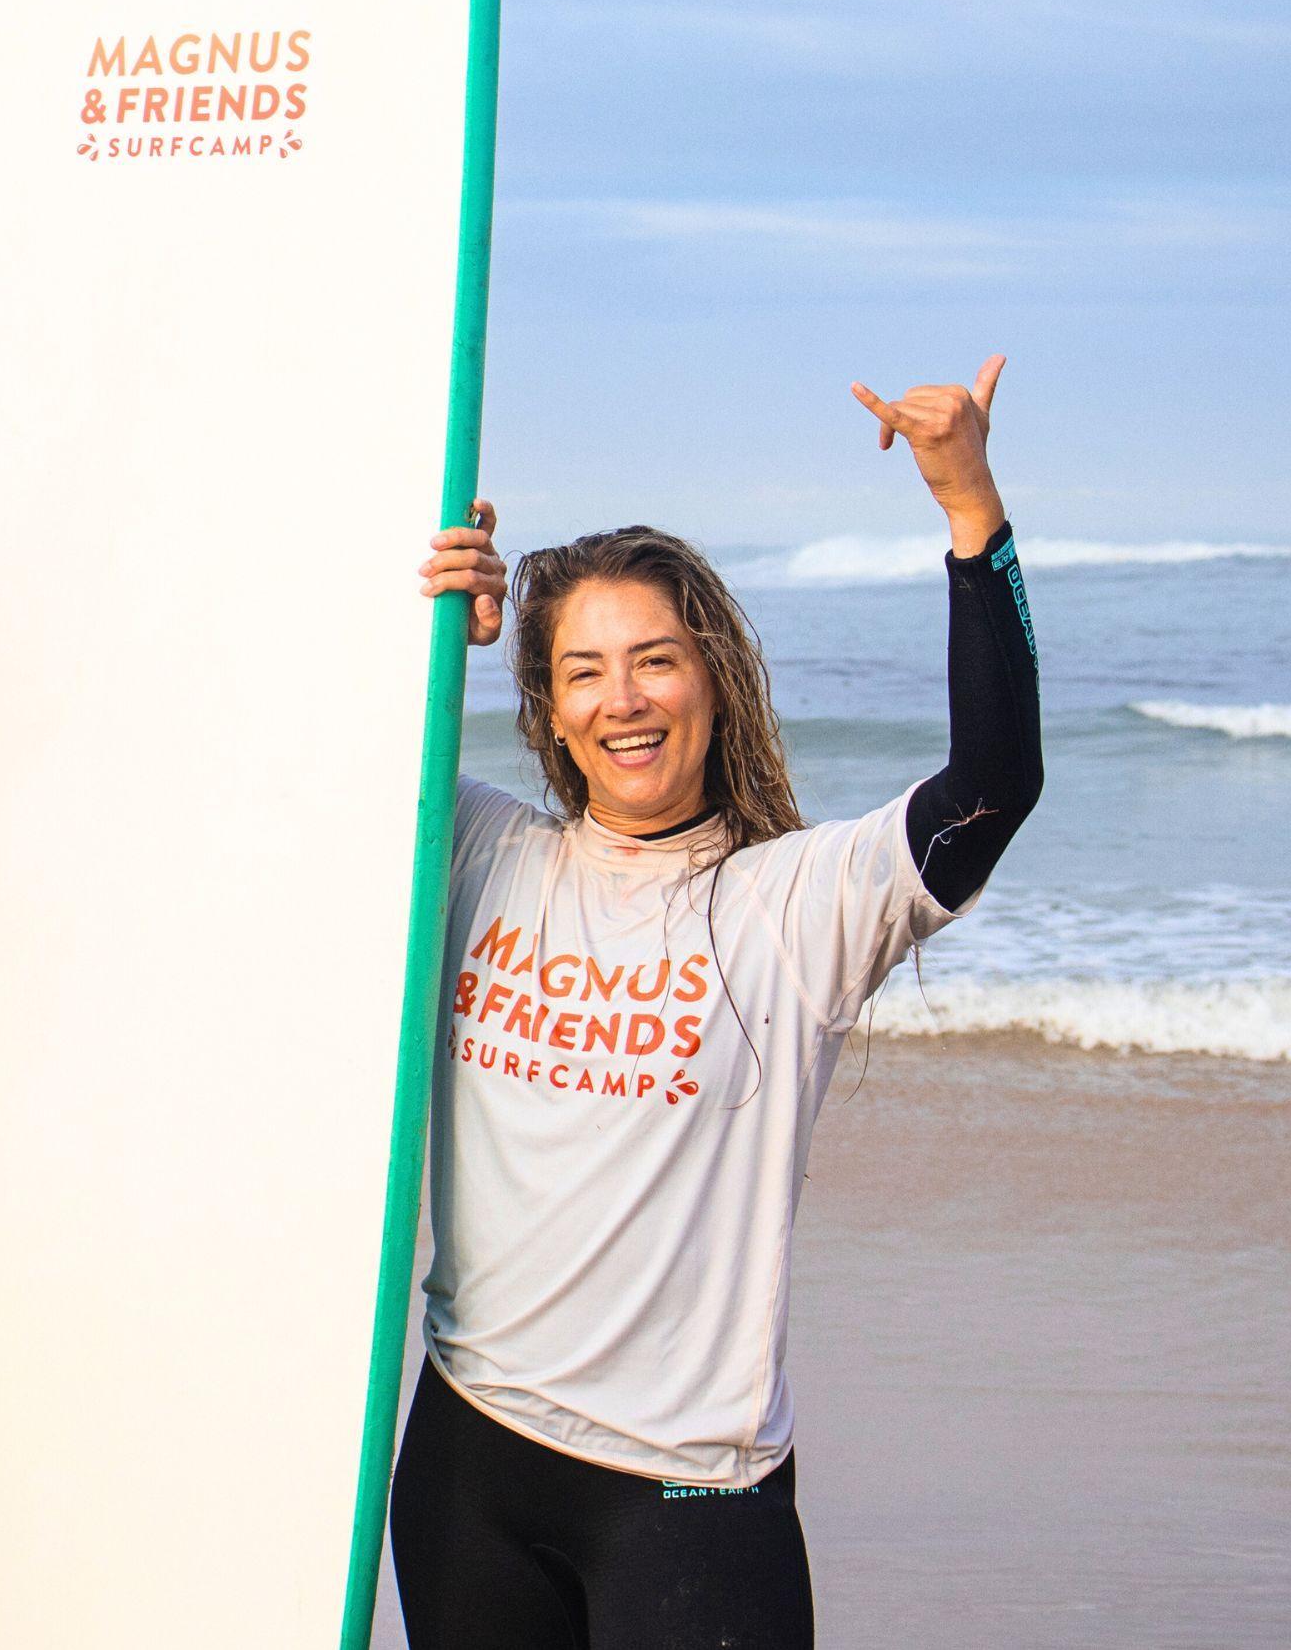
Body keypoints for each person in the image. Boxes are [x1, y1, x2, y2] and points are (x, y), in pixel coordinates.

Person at [398, 360, 1043, 1647]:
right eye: (582, 671)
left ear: (714, 679)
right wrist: (426, 640)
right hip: (469, 1452)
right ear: (548, 706)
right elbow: (291, 753)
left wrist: (969, 509)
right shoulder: (474, 851)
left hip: (689, 1493)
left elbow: (994, 782)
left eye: (654, 662)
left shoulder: (794, 906)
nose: (622, 699)